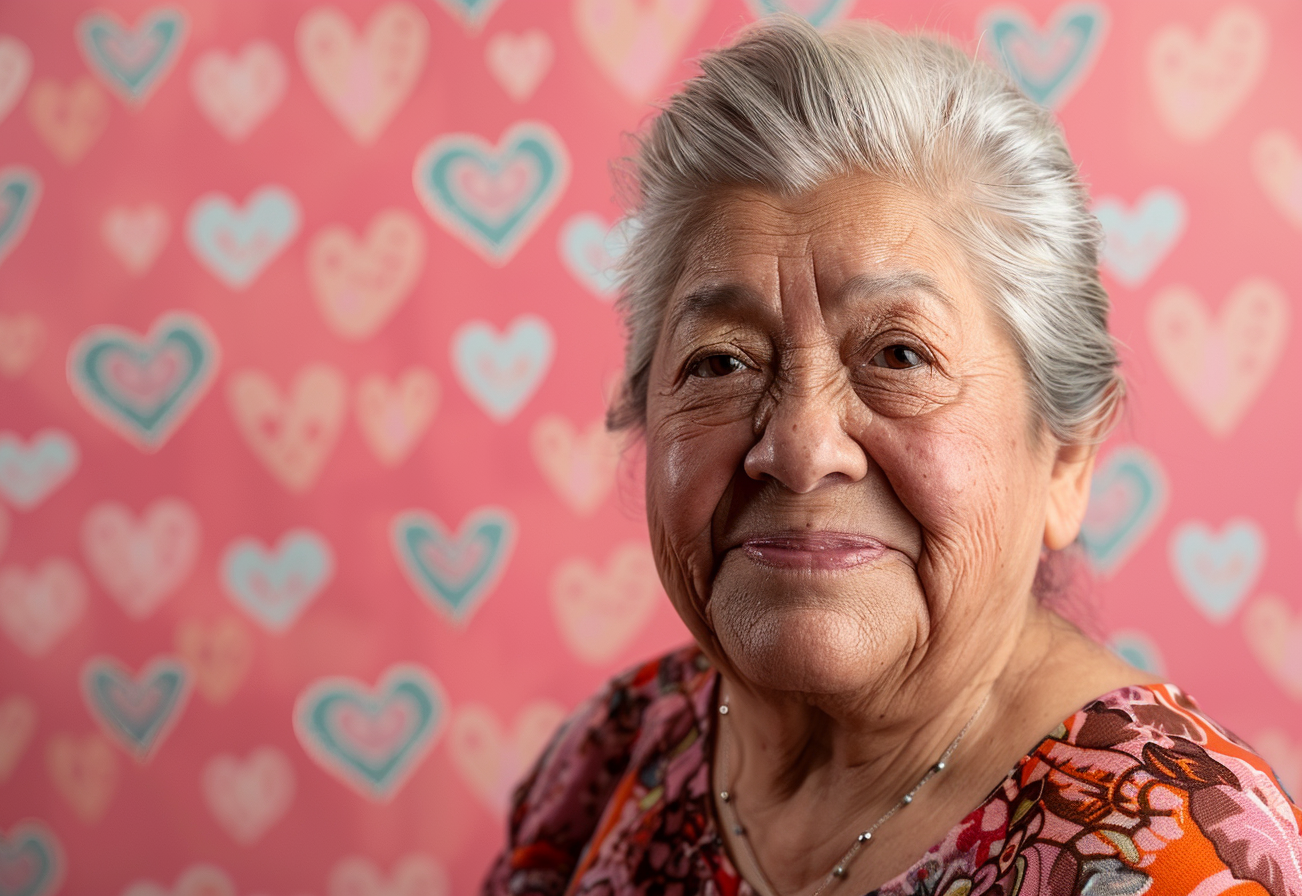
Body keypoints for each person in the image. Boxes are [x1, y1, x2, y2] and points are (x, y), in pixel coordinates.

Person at [485, 16, 1302, 896]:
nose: (799, 451)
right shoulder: (612, 755)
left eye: (898, 356)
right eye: (721, 361)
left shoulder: (1170, 860)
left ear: (1065, 456)